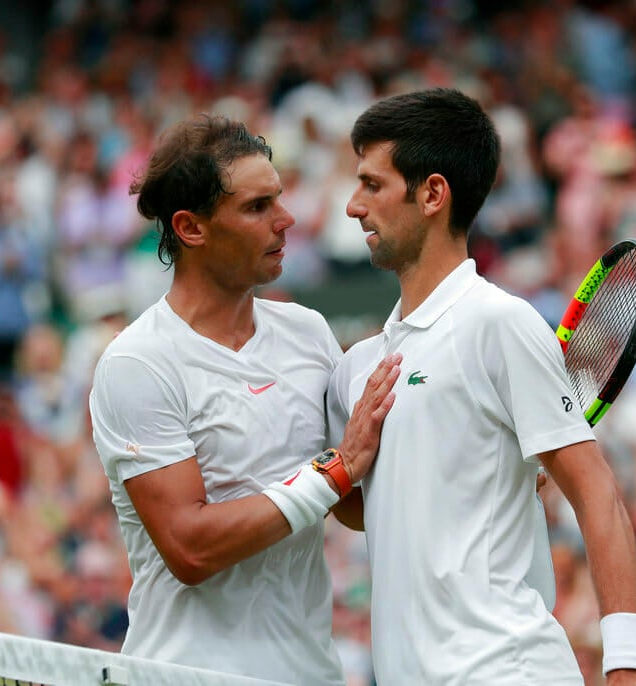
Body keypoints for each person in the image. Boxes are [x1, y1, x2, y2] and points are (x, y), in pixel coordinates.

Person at [326, 88, 636, 685]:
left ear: (432, 194)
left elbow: (597, 495)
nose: (353, 206)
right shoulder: (358, 368)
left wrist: (628, 666)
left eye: (373, 185)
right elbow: (369, 512)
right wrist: (345, 465)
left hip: (507, 669)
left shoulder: (496, 323)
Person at [87, 114, 401, 685]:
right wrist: (334, 472)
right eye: (257, 208)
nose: (286, 221)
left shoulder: (307, 332)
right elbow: (191, 550)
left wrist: (476, 470)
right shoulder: (137, 364)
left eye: (278, 199)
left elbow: (352, 505)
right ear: (191, 228)